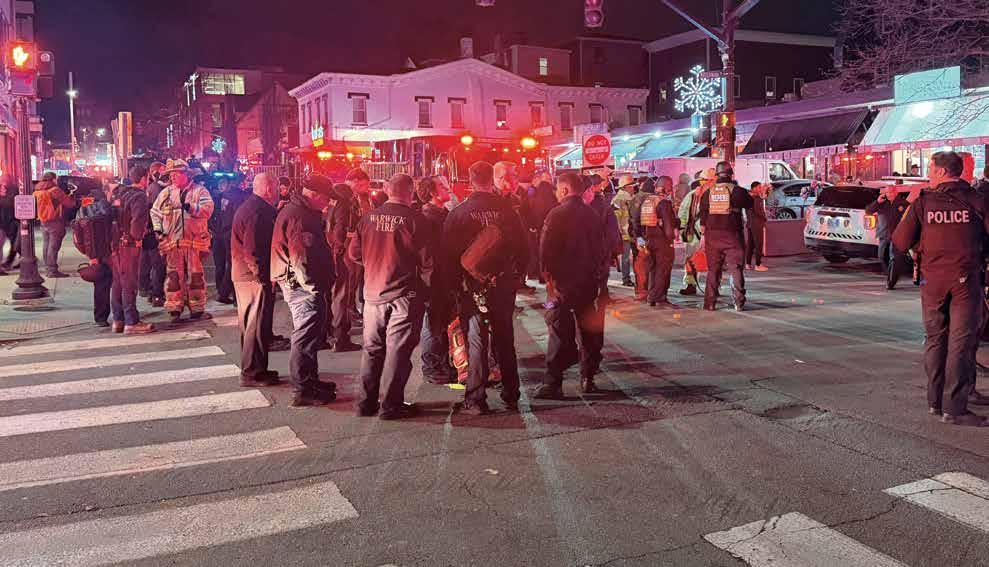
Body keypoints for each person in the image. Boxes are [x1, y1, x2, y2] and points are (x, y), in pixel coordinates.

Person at [892, 152, 989, 426]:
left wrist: (921, 247)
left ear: (942, 172)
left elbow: (899, 242)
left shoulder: (923, 202)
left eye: (931, 169)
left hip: (932, 281)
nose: (929, 174)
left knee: (935, 340)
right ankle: (955, 407)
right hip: (965, 279)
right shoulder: (977, 200)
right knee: (961, 342)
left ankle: (935, 402)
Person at [442, 161, 525, 415]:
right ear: (491, 179)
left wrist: (454, 287)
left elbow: (448, 255)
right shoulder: (509, 211)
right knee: (505, 337)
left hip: (471, 286)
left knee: (477, 340)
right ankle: (511, 394)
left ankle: (476, 399)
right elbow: (524, 247)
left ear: (470, 179)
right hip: (502, 283)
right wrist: (516, 278)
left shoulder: (459, 213)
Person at [349, 174, 433, 419]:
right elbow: (428, 262)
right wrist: (426, 292)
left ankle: (365, 403)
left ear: (387, 190)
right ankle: (390, 405)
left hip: (373, 293)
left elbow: (354, 253)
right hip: (403, 294)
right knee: (398, 351)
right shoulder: (416, 220)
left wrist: (374, 264)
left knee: (372, 349)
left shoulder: (368, 218)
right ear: (411, 191)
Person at [534, 172, 606, 399]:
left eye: (557, 189)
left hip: (561, 285)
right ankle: (588, 378)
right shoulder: (592, 214)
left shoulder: (556, 214)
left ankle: (553, 383)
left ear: (564, 190)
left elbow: (545, 252)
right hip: (587, 283)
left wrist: (549, 281)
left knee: (557, 331)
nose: (556, 193)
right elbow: (601, 250)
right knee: (588, 332)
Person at [271, 174, 338, 407]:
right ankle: (304, 389)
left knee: (309, 335)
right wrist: (312, 287)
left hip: (299, 283)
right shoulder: (301, 217)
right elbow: (301, 256)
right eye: (327, 198)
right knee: (305, 336)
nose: (328, 203)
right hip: (302, 286)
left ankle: (310, 382)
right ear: (315, 195)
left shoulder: (299, 211)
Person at [231, 172, 283, 388]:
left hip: (247, 274)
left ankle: (257, 369)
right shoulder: (258, 212)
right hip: (252, 276)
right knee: (254, 325)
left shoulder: (253, 207)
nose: (278, 192)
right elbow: (252, 250)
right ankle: (252, 372)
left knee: (255, 325)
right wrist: (262, 276)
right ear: (269, 188)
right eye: (276, 187)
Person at [150, 159, 215, 323]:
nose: (172, 177)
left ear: (186, 175)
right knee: (173, 277)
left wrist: (190, 207)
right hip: (172, 244)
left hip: (194, 244)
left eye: (176, 174)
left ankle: (197, 309)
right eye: (171, 174)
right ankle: (174, 309)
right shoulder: (165, 193)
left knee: (196, 277)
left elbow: (208, 210)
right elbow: (155, 213)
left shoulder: (200, 191)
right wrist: (158, 230)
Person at [416, 176, 455, 384]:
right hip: (433, 280)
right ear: (432, 193)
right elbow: (428, 254)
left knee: (441, 323)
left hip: (444, 278)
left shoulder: (442, 214)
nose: (448, 187)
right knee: (432, 324)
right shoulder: (427, 217)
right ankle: (432, 367)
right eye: (442, 185)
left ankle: (442, 364)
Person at [699, 161, 753, 311]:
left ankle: (709, 303)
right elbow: (750, 203)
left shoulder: (707, 193)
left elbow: (702, 218)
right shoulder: (738, 191)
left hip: (712, 236)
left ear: (717, 175)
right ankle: (738, 302)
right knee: (735, 268)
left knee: (713, 270)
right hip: (732, 235)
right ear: (730, 174)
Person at [108, 166, 155, 334]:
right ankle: (131, 322)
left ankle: (118, 320)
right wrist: (138, 239)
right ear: (144, 178)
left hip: (114, 243)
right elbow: (137, 221)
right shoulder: (139, 196)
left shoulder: (119, 193)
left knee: (117, 282)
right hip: (129, 245)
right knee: (129, 282)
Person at [325, 180, 363, 352]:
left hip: (332, 253)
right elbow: (341, 229)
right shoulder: (344, 205)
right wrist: (341, 249)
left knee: (335, 295)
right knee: (343, 295)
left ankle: (332, 333)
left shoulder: (331, 205)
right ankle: (341, 338)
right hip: (342, 255)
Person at [632, 175, 678, 308]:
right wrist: (671, 238)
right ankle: (660, 298)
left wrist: (640, 237)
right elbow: (668, 226)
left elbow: (637, 220)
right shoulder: (663, 202)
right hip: (662, 240)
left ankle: (651, 297)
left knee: (653, 269)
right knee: (663, 270)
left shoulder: (647, 201)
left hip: (649, 238)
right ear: (666, 188)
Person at [494, 161, 532, 292]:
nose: (517, 180)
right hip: (495, 264)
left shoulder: (516, 200)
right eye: (513, 175)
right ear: (500, 178)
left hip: (513, 264)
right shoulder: (489, 201)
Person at [865, 185, 911, 290]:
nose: (889, 194)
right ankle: (889, 274)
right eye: (887, 192)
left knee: (893, 258)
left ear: (896, 192)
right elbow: (868, 211)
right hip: (883, 235)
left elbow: (909, 219)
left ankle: (891, 281)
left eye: (891, 192)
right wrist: (877, 202)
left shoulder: (903, 204)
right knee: (881, 256)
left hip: (896, 235)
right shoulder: (881, 203)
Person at [214, 176, 251, 304]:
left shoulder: (220, 197)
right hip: (229, 233)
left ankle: (222, 292)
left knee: (223, 265)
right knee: (233, 264)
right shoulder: (238, 196)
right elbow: (239, 217)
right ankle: (228, 294)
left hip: (221, 233)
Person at [678, 169, 714, 296]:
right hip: (695, 234)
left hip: (710, 234)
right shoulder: (693, 195)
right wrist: (682, 229)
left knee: (713, 262)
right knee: (691, 260)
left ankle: (713, 286)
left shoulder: (710, 195)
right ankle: (691, 284)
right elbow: (683, 213)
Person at [34, 172, 75, 278]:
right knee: (53, 246)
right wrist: (71, 195)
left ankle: (48, 267)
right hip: (55, 220)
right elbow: (70, 204)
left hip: (43, 220)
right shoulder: (55, 190)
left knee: (46, 244)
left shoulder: (37, 190)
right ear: (53, 179)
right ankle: (52, 270)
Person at [139, 162, 167, 306]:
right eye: (163, 171)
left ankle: (146, 288)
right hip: (155, 231)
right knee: (158, 265)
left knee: (146, 263)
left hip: (147, 232)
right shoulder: (158, 190)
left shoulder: (151, 188)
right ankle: (157, 294)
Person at [524, 177, 558, 283]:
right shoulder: (554, 202)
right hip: (552, 231)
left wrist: (533, 227)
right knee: (551, 253)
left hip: (539, 231)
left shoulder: (534, 201)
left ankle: (541, 276)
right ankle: (551, 276)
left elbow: (530, 216)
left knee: (541, 253)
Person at [611, 174, 637, 287]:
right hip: (626, 233)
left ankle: (631, 278)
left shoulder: (629, 198)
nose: (634, 188)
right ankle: (626, 279)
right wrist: (619, 232)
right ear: (627, 187)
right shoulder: (619, 200)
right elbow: (615, 218)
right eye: (632, 186)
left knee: (630, 257)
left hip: (630, 232)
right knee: (626, 258)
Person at [745, 182, 769, 272]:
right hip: (757, 224)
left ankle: (748, 264)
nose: (760, 189)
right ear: (754, 188)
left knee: (750, 244)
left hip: (750, 223)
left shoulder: (748, 197)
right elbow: (759, 211)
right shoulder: (757, 198)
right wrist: (765, 218)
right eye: (759, 187)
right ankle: (758, 264)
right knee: (759, 244)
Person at [0, 173, 15, 275]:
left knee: (15, 243)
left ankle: (7, 263)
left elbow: (11, 205)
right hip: (2, 223)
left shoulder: (12, 190)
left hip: (8, 222)